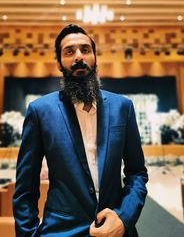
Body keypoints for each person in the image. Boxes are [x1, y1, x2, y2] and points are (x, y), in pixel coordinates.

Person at [13, 24, 148, 237]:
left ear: (94, 57)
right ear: (59, 63)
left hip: (116, 230)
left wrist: (124, 217)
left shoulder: (123, 107)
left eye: (85, 50)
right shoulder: (40, 111)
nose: (79, 57)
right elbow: (25, 188)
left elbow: (137, 173)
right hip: (60, 231)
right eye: (69, 51)